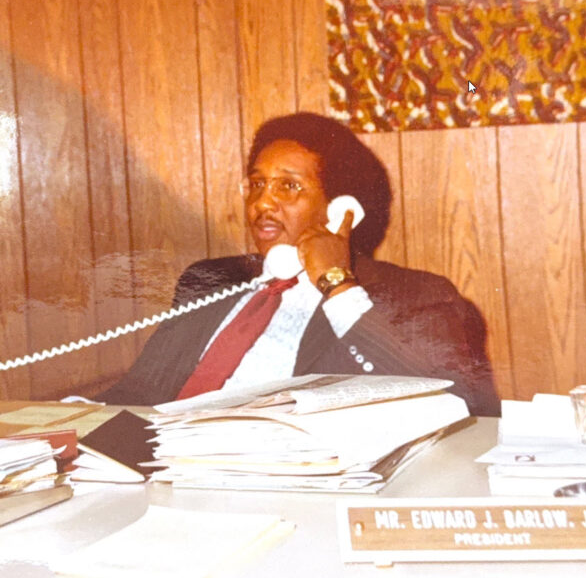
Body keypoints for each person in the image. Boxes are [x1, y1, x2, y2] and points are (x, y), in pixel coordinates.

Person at [102, 112, 500, 416]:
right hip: (164, 469)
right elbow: (138, 393)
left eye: (288, 186)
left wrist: (337, 284)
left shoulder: (416, 297)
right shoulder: (211, 279)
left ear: (340, 208)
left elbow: (456, 405)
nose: (262, 202)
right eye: (258, 184)